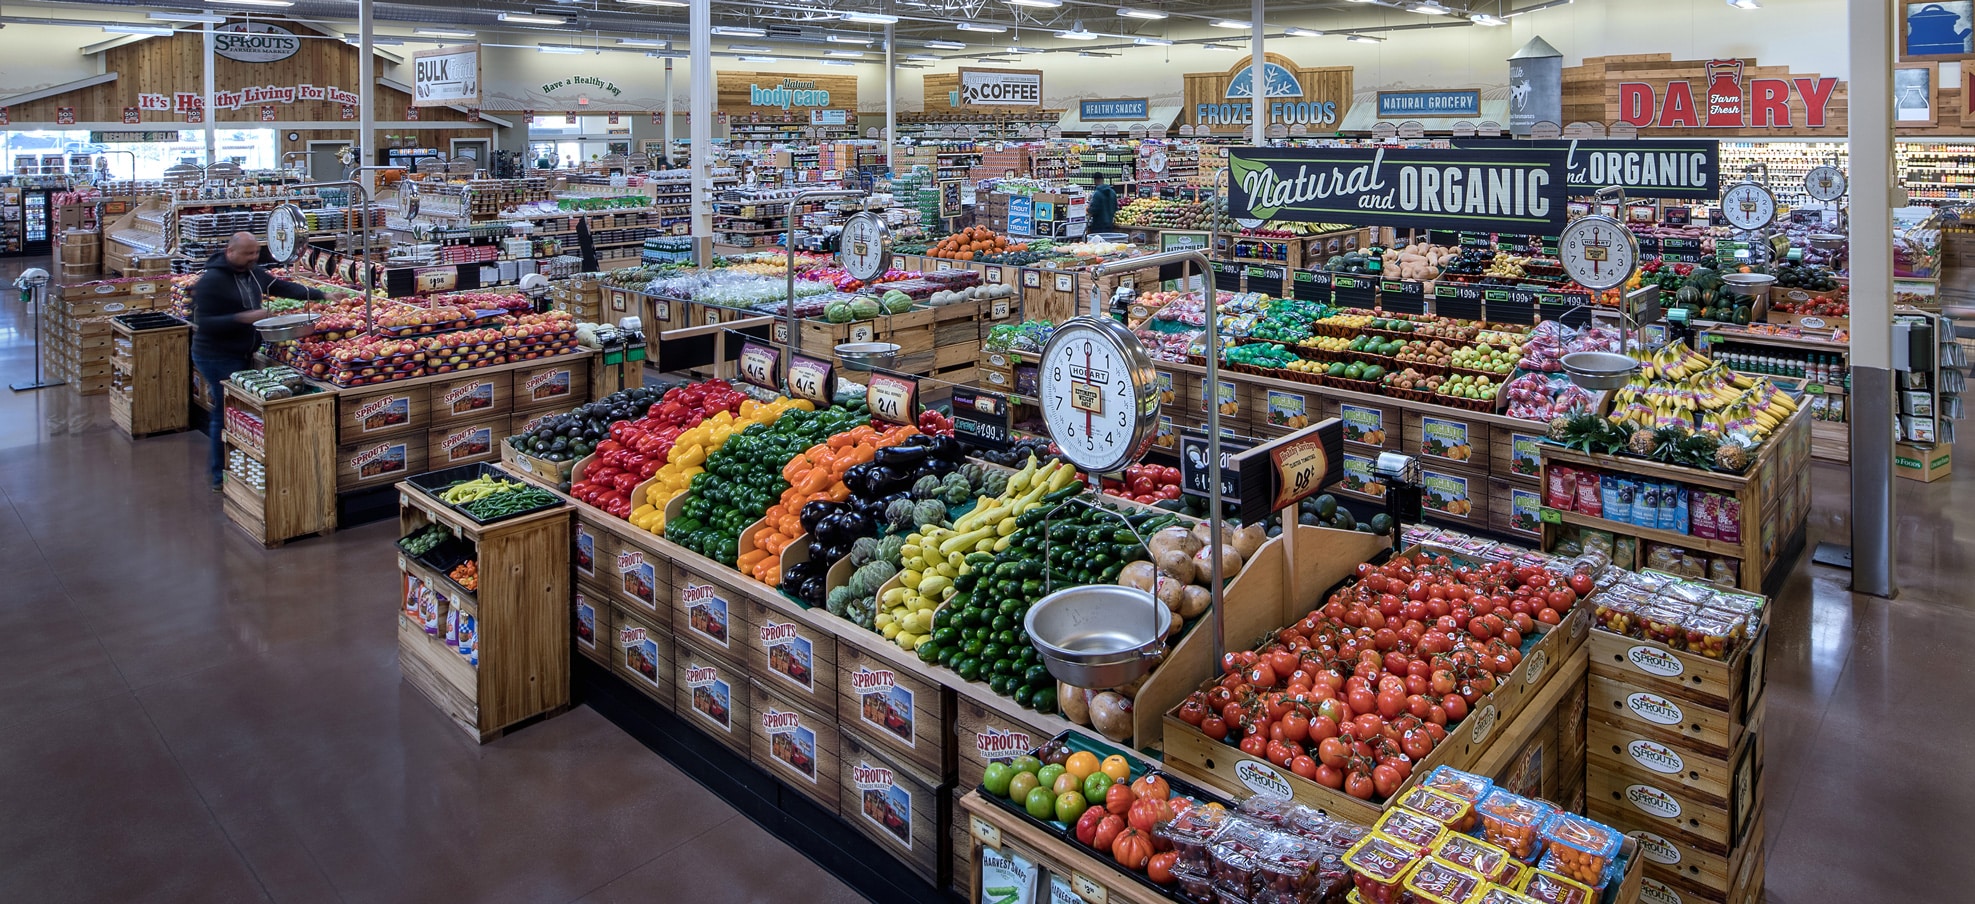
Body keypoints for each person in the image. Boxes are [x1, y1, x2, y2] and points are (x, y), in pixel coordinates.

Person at [191, 232, 325, 491]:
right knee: (224, 410)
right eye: (247, 253)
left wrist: (320, 295)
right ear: (230, 252)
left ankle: (240, 466)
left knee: (236, 410)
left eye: (255, 252)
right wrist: (243, 318)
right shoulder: (211, 281)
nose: (253, 257)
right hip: (215, 354)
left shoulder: (252, 272)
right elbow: (203, 322)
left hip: (242, 351)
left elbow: (281, 287)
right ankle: (219, 475)